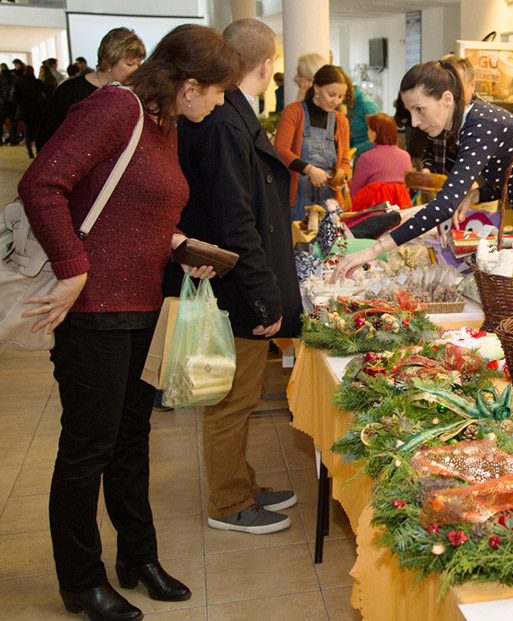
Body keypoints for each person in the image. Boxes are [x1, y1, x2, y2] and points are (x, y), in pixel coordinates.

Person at [17, 24, 238, 621]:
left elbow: (130, 211)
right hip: (93, 312)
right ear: (189, 84)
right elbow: (42, 184)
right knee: (87, 449)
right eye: (218, 91)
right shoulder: (115, 107)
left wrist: (181, 246)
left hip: (141, 304)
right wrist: (71, 268)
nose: (220, 102)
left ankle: (138, 557)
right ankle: (80, 580)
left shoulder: (163, 124)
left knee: (131, 441)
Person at [171, 18, 301, 535]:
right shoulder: (226, 121)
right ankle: (228, 502)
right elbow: (236, 219)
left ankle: (241, 483)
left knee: (240, 397)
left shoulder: (230, 114)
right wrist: (265, 296)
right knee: (232, 400)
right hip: (236, 284)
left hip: (237, 278)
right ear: (267, 65)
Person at [332, 60, 513, 281]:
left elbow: (445, 205)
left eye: (420, 109)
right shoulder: (469, 124)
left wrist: (374, 250)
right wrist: (476, 194)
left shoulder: (481, 125)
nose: (415, 121)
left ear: (447, 99)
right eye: (410, 111)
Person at [36, 27, 146, 152]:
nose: (136, 69)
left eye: (138, 64)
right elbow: (46, 136)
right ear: (109, 61)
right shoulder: (70, 90)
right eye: (130, 64)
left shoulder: (133, 94)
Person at [274, 64, 352, 221]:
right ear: (316, 88)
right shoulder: (294, 111)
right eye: (331, 94)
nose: (336, 101)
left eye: (340, 96)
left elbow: (344, 161)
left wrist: (340, 177)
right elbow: (281, 149)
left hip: (330, 201)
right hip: (298, 197)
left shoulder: (341, 121)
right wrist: (309, 170)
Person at [420, 55, 478, 175]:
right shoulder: (438, 111)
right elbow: (429, 151)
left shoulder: (481, 118)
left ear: (472, 85)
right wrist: (427, 169)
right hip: (440, 182)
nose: (450, 91)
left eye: (456, 85)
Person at [349, 112, 413, 211]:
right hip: (402, 210)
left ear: (375, 133)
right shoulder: (406, 156)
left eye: (369, 130)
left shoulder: (366, 158)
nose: (368, 133)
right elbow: (406, 189)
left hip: (373, 213)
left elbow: (354, 192)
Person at [12, 65, 46, 158]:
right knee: (38, 130)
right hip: (37, 109)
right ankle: (39, 150)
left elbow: (16, 97)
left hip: (24, 109)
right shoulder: (37, 82)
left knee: (27, 129)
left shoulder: (19, 82)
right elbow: (46, 93)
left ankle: (29, 150)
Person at [346, 80, 380, 158]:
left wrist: (353, 151)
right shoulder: (349, 104)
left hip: (368, 155)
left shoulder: (366, 105)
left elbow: (376, 138)